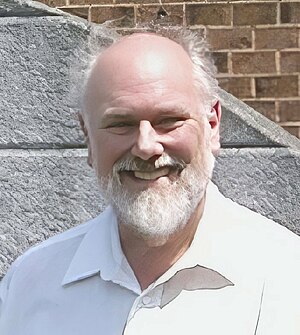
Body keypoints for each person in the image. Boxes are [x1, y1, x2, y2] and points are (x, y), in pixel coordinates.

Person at [0, 28, 299, 335]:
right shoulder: (28, 285)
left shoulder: (287, 278)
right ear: (88, 138)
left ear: (212, 126)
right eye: (121, 124)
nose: (145, 146)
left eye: (168, 120)